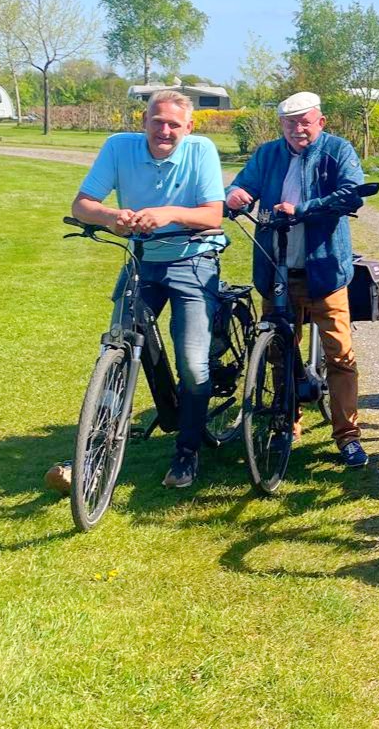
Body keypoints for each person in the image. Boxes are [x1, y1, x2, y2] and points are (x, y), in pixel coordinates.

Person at [68, 89, 227, 489]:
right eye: (158, 122)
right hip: (142, 261)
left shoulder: (201, 151)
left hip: (193, 260)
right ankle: (96, 445)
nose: (165, 130)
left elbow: (213, 215)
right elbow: (82, 204)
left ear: (188, 127)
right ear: (144, 121)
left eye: (175, 124)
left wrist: (168, 213)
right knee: (117, 345)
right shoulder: (118, 147)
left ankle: (187, 453)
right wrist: (110, 217)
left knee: (192, 363)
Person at [225, 91, 369, 469]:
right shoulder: (268, 154)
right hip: (277, 270)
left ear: (321, 122)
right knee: (278, 352)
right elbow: (242, 186)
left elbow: (352, 195)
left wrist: (303, 210)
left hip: (324, 271)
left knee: (340, 356)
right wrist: (236, 195)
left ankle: (347, 436)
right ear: (282, 126)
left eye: (306, 121)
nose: (298, 129)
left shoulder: (337, 151)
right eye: (291, 122)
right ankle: (287, 423)